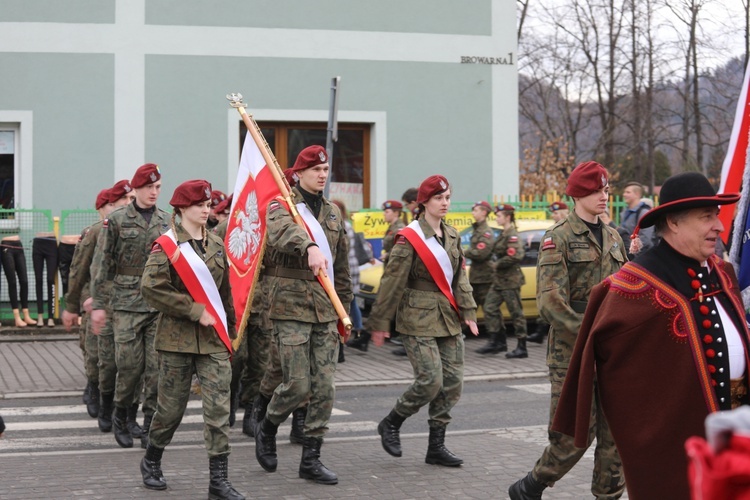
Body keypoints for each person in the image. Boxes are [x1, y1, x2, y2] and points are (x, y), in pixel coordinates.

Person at [552, 172, 750, 500]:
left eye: (717, 216)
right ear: (673, 222)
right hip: (681, 445)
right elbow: (612, 365)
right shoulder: (634, 287)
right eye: (707, 218)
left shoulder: (721, 271)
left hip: (737, 433)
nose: (719, 226)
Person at [508, 161, 627, 500]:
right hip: (571, 353)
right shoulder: (557, 238)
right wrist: (589, 332)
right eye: (597, 190)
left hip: (611, 351)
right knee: (575, 435)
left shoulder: (615, 237)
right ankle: (531, 485)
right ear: (577, 193)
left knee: (615, 434)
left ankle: (608, 496)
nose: (604, 196)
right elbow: (549, 302)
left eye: (606, 189)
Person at [139, 179, 244, 500]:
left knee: (218, 409)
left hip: (213, 340)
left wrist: (232, 327)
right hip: (176, 341)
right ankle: (152, 459)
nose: (206, 209)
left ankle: (218, 481)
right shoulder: (167, 245)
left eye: (208, 204)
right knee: (170, 410)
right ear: (182, 208)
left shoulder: (216, 244)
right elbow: (151, 288)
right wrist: (193, 309)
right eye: (199, 205)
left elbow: (225, 291)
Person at [253, 145, 352, 485]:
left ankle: (311, 457)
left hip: (325, 308)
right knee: (296, 384)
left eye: (326, 169)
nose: (322, 174)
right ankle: (267, 427)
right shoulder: (281, 205)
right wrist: (309, 246)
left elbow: (341, 268)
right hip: (290, 306)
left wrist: (345, 313)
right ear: (298, 173)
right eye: (315, 169)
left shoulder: (333, 213)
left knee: (324, 388)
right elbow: (280, 234)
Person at [367, 174, 479, 467]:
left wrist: (468, 311)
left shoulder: (452, 235)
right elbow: (391, 282)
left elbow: (459, 279)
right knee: (430, 380)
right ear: (424, 203)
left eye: (447, 198)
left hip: (448, 317)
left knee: (452, 383)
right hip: (416, 316)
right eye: (438, 198)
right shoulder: (409, 237)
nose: (445, 203)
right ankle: (392, 422)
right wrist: (380, 322)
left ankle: (436, 446)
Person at [90, 163, 170, 449]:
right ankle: (122, 415)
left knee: (156, 370)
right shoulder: (119, 220)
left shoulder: (167, 221)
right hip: (124, 304)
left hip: (157, 305)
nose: (153, 192)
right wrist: (99, 304)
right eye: (148, 187)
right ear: (135, 189)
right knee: (129, 368)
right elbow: (102, 263)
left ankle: (150, 425)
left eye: (158, 187)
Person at [478, 204, 529, 358]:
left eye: (499, 216)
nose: (497, 218)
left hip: (510, 281)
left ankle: (522, 347)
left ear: (507, 217)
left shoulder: (512, 235)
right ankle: (497, 340)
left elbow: (516, 255)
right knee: (489, 307)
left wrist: (497, 264)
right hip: (499, 281)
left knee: (516, 313)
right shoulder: (503, 233)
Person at [335, 199, 373, 355]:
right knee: (352, 301)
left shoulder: (343, 226)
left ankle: (355, 330)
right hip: (351, 268)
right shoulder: (346, 225)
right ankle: (357, 329)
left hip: (347, 269)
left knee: (350, 301)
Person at [464, 201, 495, 321]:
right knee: (469, 307)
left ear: (483, 212)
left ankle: (496, 337)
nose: (473, 213)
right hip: (476, 276)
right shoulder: (477, 229)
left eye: (475, 210)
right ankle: (460, 334)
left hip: (485, 277)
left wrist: (463, 251)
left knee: (489, 309)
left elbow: (481, 253)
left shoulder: (485, 232)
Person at [617, 181, 654, 258]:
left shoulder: (644, 213)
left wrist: (632, 256)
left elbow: (645, 239)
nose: (624, 195)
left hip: (640, 258)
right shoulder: (625, 212)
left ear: (637, 194)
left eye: (628, 192)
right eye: (624, 192)